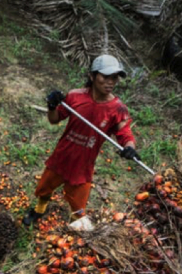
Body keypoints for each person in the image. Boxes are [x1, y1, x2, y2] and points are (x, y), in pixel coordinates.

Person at [23, 54, 139, 226]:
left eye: (114, 78)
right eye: (105, 77)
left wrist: (129, 147)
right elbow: (54, 119)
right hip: (62, 156)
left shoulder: (117, 109)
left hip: (83, 164)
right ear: (92, 76)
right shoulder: (75, 97)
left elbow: (125, 133)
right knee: (44, 188)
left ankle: (76, 227)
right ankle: (40, 209)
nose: (111, 82)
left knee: (78, 204)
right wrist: (52, 106)